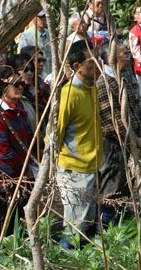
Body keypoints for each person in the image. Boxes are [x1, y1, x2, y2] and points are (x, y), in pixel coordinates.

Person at [96, 41, 141, 226]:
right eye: (124, 54)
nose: (128, 57)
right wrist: (133, 141)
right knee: (113, 186)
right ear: (111, 59)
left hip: (131, 142)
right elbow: (111, 122)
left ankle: (120, 222)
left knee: (128, 184)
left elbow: (137, 108)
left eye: (128, 53)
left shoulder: (126, 77)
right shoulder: (104, 83)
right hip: (114, 145)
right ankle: (106, 228)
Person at [57, 40, 102, 246]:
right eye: (92, 62)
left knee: (86, 221)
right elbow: (55, 133)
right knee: (75, 225)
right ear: (77, 67)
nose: (98, 65)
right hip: (75, 169)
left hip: (91, 166)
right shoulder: (69, 94)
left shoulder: (91, 88)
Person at [0, 67, 37, 236]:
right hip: (2, 181)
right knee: (4, 228)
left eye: (21, 83)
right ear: (2, 88)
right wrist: (25, 169)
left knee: (20, 226)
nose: (20, 87)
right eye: (14, 84)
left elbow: (27, 143)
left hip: (19, 178)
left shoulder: (18, 112)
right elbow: (3, 153)